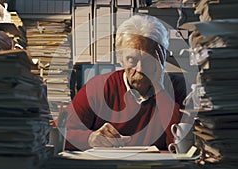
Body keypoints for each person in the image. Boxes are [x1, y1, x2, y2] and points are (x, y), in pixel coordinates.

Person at [62, 14, 186, 151]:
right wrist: (90, 138)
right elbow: (61, 134)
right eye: (132, 60)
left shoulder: (179, 87)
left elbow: (181, 145)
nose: (140, 69)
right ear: (120, 59)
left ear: (162, 58)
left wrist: (160, 89)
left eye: (149, 60)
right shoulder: (98, 88)